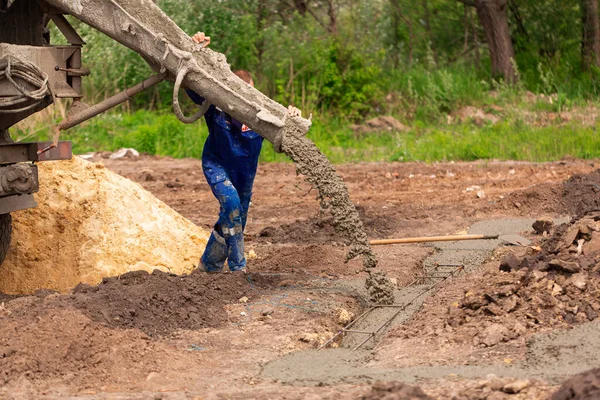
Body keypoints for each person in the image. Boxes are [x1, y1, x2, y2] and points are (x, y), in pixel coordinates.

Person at [186, 32, 301, 273]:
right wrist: (194, 48)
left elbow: (287, 129)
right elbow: (189, 80)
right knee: (232, 207)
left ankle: (209, 266)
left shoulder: (262, 113)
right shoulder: (215, 104)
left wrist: (294, 116)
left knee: (235, 219)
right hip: (216, 165)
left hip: (245, 175)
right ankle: (239, 268)